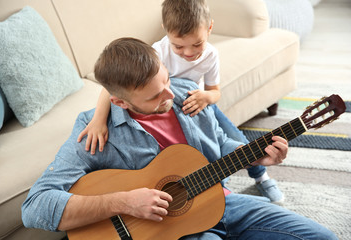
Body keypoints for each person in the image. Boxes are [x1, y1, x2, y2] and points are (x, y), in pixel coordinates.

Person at [22, 37, 338, 240]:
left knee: (321, 237)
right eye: (155, 96)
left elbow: (217, 147)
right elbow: (35, 207)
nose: (171, 95)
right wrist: (125, 202)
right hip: (167, 231)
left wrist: (253, 154)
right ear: (119, 102)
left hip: (223, 203)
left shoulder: (188, 93)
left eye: (166, 80)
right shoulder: (94, 131)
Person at [77, 0, 283, 202]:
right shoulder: (157, 53)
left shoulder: (211, 55)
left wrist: (205, 97)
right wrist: (98, 120)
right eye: (179, 46)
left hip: (198, 103)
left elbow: (215, 91)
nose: (189, 53)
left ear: (210, 27)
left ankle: (261, 177)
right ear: (165, 31)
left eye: (197, 44)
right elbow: (110, 87)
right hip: (173, 107)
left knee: (237, 139)